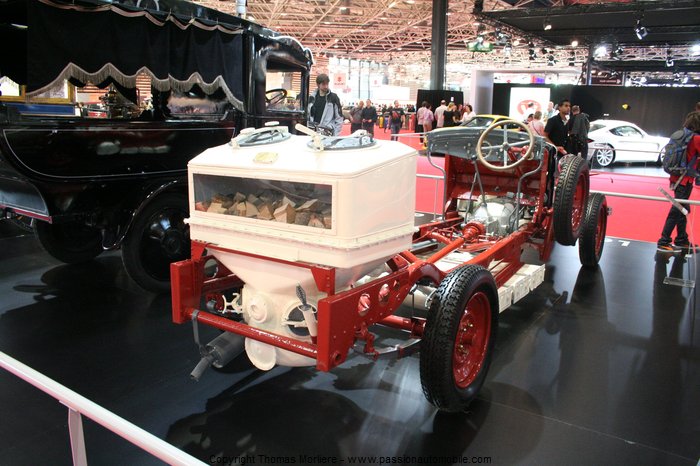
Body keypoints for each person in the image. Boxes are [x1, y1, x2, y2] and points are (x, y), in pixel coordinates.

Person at [657, 111, 700, 253]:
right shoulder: (696, 139)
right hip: (684, 179)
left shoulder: (682, 135)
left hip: (678, 177)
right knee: (677, 210)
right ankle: (664, 241)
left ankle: (681, 239)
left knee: (683, 209)